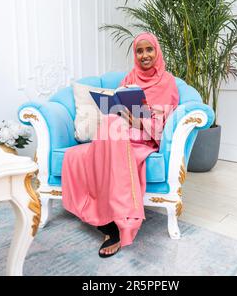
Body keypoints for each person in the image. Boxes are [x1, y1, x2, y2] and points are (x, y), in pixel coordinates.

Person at [61, 32, 180, 258]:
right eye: (139, 51)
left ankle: (119, 220)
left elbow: (166, 121)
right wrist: (120, 112)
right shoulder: (130, 77)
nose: (144, 55)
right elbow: (120, 107)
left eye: (149, 50)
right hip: (119, 132)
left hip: (143, 137)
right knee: (110, 121)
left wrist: (140, 121)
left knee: (111, 126)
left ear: (157, 51)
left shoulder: (168, 81)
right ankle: (108, 220)